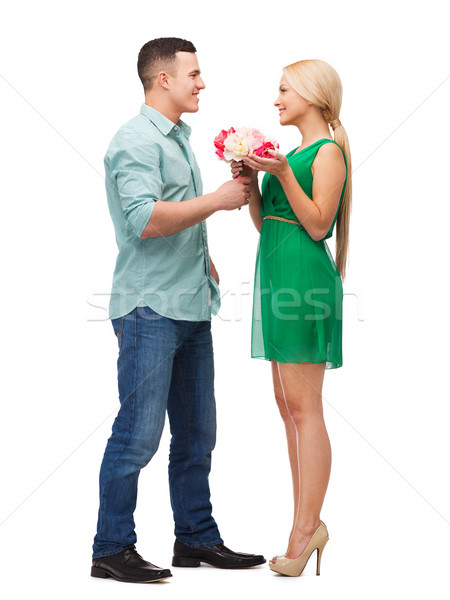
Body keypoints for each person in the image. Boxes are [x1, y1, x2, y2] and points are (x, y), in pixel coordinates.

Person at [91, 37, 265, 584]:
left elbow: (171, 213)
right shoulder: (135, 140)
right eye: (193, 73)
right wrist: (215, 201)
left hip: (189, 305)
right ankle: (110, 548)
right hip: (149, 308)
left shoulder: (178, 138)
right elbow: (143, 218)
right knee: (138, 435)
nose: (202, 82)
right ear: (161, 79)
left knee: (197, 434)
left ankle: (195, 538)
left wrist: (203, 256)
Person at [232, 58, 352, 577]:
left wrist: (282, 171)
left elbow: (319, 224)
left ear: (311, 94)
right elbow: (270, 224)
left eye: (284, 90)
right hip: (277, 277)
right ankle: (304, 524)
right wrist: (253, 182)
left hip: (304, 283)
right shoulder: (296, 154)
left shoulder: (325, 153)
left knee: (306, 409)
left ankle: (306, 530)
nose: (276, 99)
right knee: (287, 406)